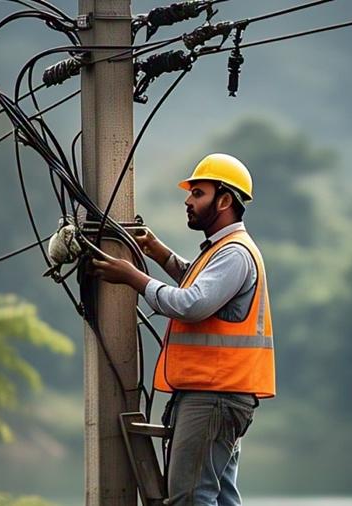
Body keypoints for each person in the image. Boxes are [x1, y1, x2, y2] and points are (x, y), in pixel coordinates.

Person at [90, 153, 275, 506]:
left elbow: (191, 304)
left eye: (198, 194)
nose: (188, 201)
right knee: (219, 499)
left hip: (215, 396)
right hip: (217, 396)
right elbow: (201, 285)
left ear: (224, 201)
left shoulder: (234, 253)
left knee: (190, 499)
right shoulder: (222, 251)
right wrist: (160, 254)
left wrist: (133, 278)